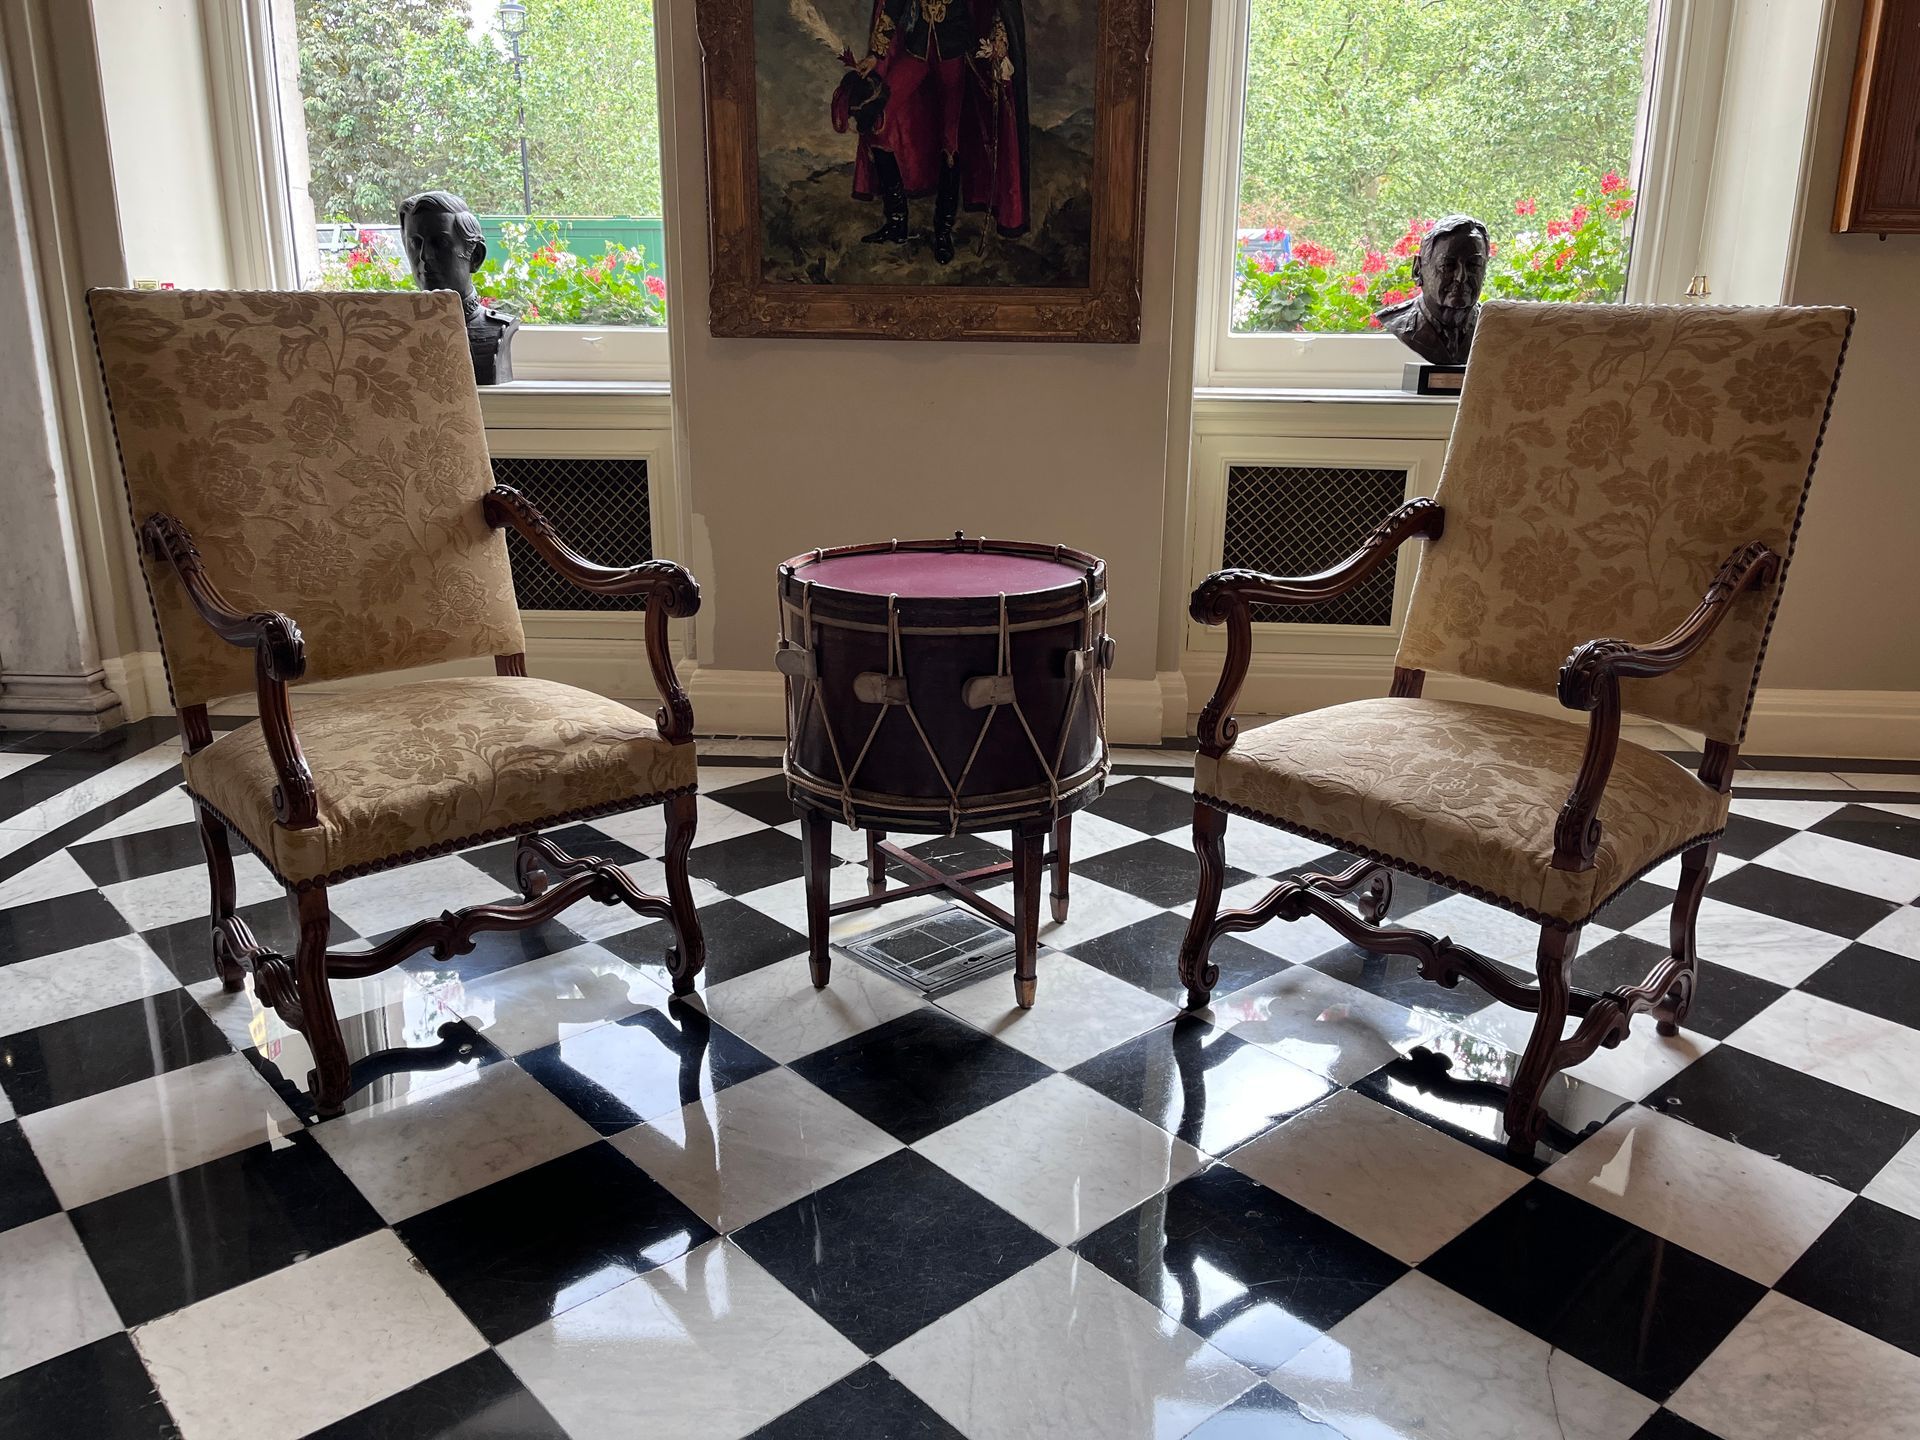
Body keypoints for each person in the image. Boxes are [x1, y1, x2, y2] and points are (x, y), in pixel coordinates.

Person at [849, 0, 1029, 264]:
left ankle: (943, 231)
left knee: (950, 143)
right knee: (877, 120)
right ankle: (897, 222)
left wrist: (999, 38)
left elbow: (991, 5)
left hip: (954, 51)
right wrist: (876, 55)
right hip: (916, 49)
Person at [398, 190, 519, 383]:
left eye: (440, 243)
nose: (424, 256)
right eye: (416, 243)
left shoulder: (496, 331)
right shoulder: (396, 331)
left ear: (476, 256)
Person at [1374, 214, 1489, 366]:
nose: (1461, 277)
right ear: (1418, 270)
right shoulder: (1400, 323)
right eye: (1447, 266)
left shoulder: (1493, 327)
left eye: (1474, 265)